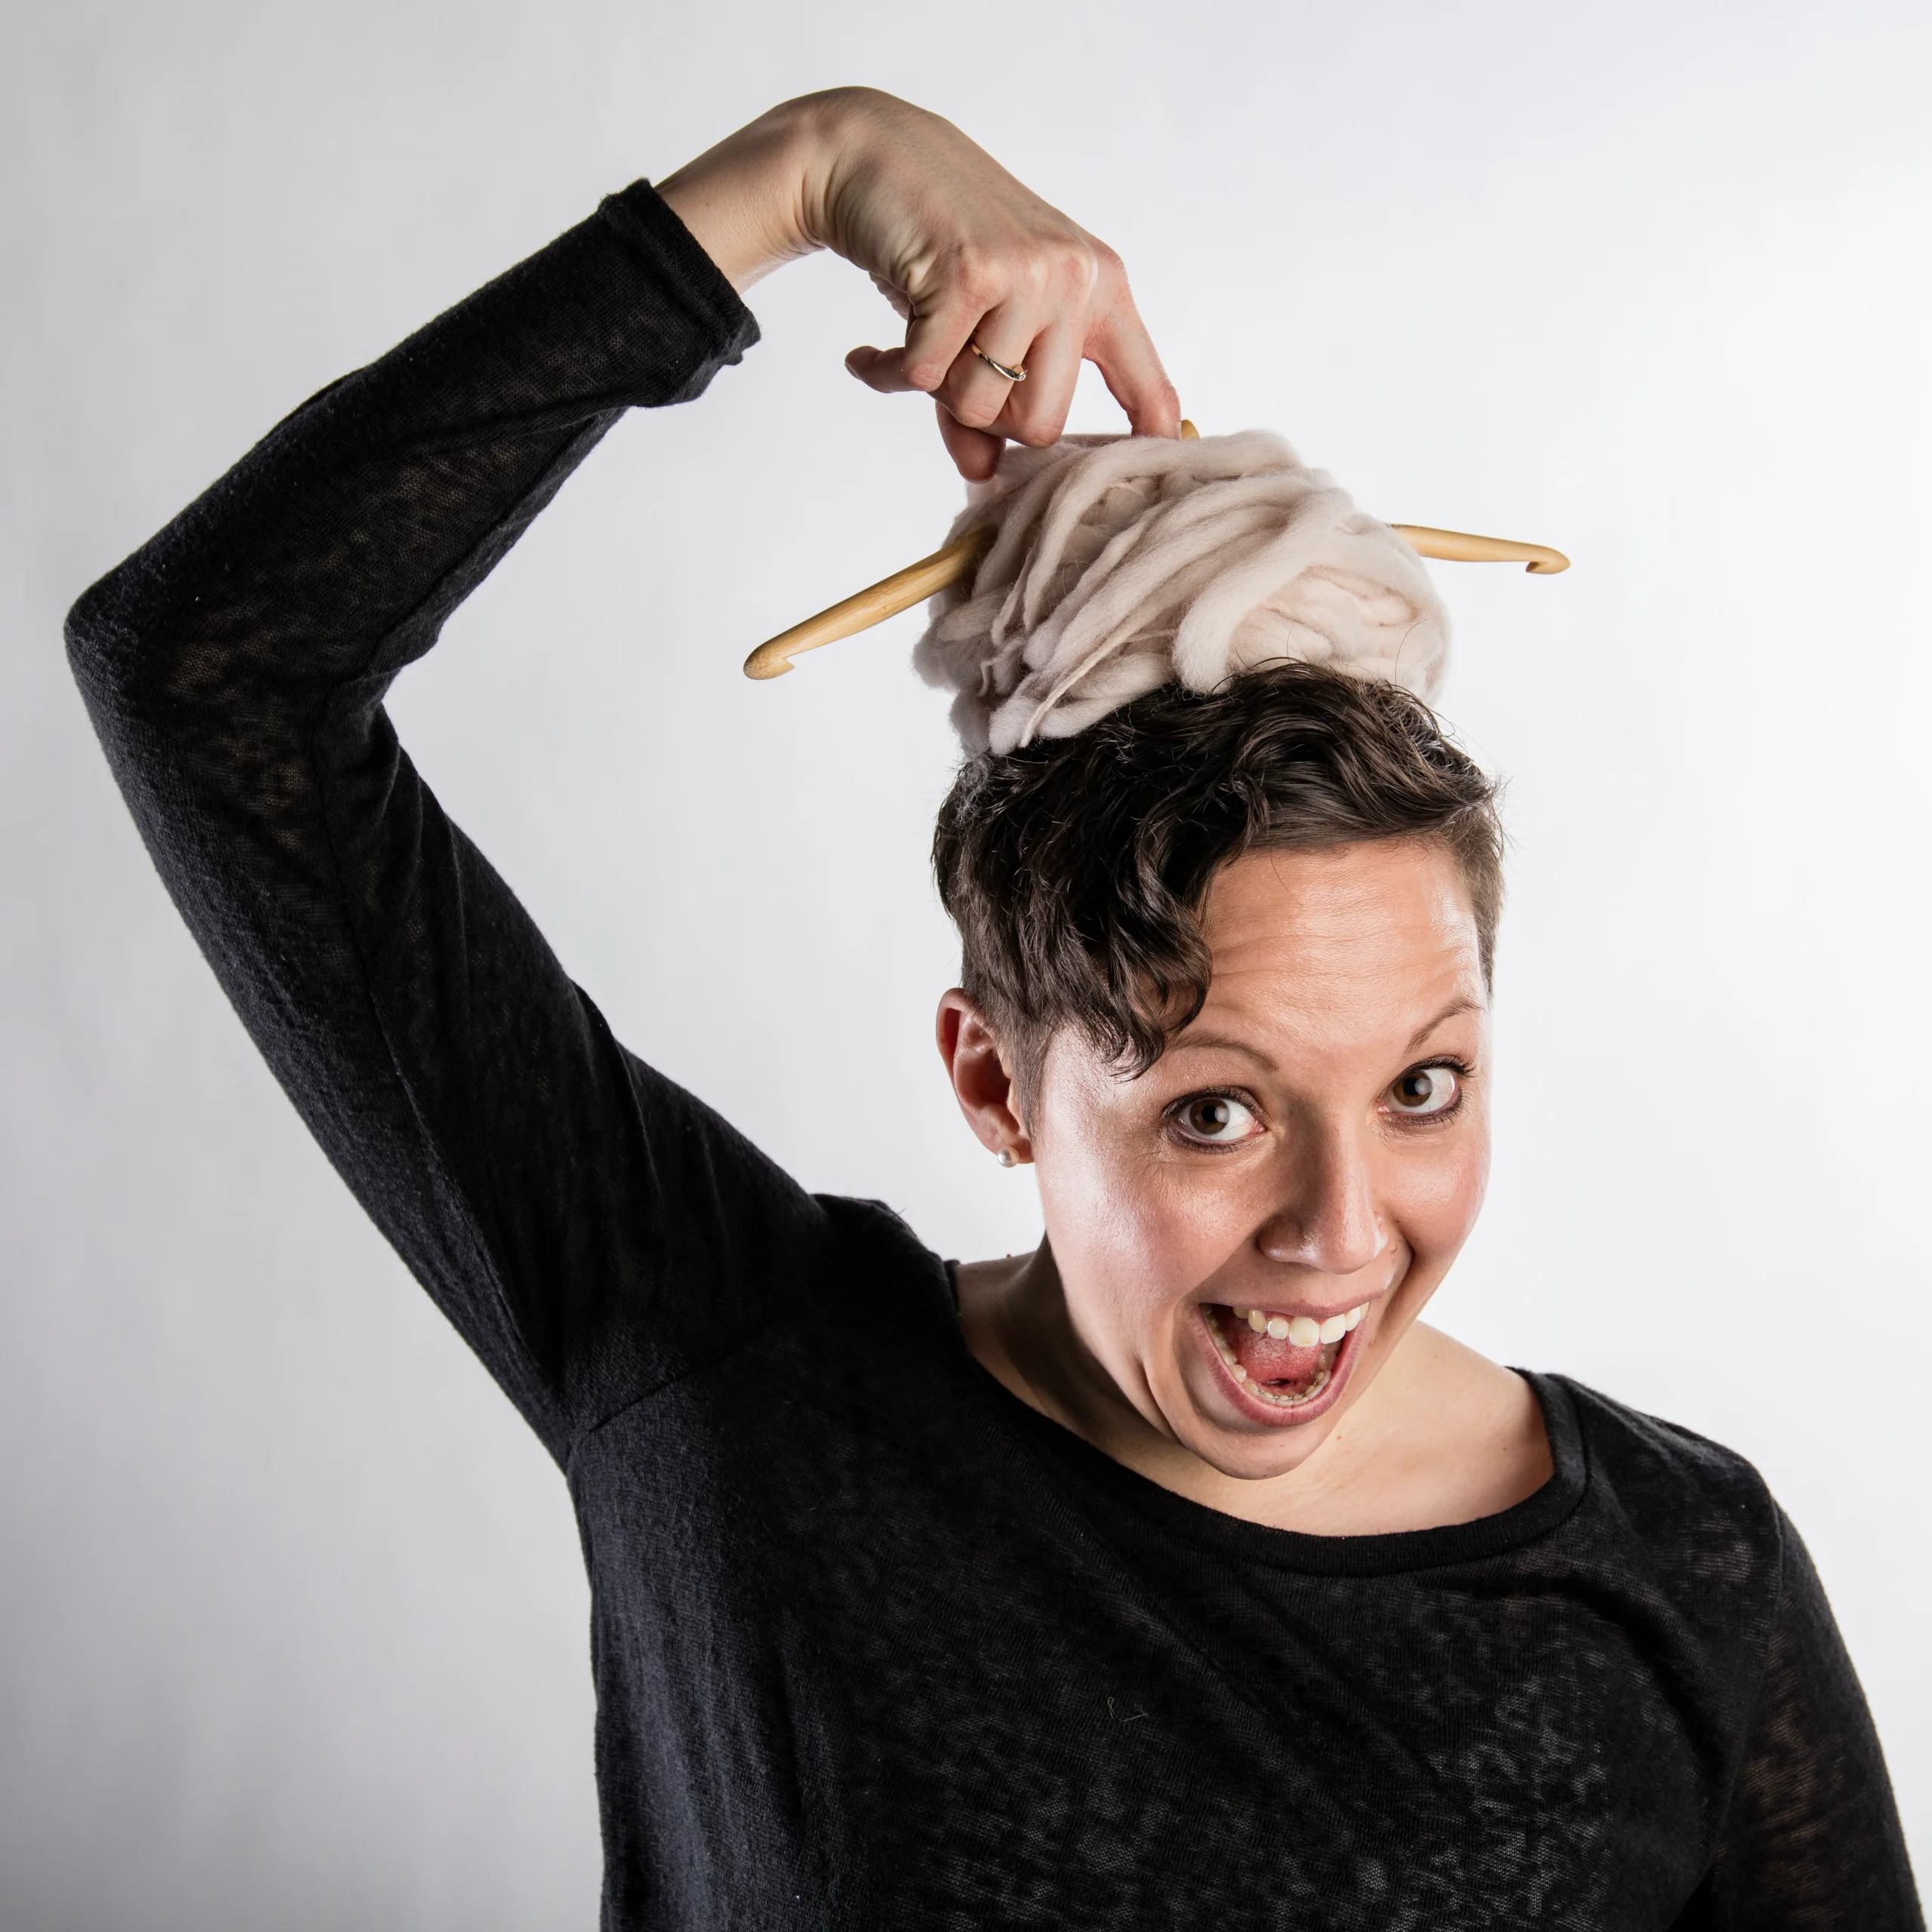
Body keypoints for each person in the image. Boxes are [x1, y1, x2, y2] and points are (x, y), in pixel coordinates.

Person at [66, 85, 1919, 1930]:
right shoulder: (725, 1368)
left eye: (1422, 1085)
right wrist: (805, 171)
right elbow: (203, 669)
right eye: (1216, 1106)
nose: (1340, 1233)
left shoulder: (1689, 1572)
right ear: (995, 1077)